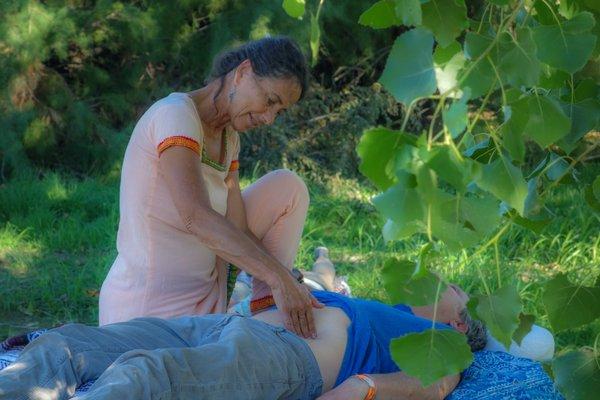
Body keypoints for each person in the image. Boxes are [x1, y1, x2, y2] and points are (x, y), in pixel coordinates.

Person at [99, 36, 322, 338]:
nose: (269, 119)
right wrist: (278, 278)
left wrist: (284, 280)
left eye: (278, 112)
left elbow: (238, 228)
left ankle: (269, 310)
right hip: (146, 315)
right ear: (242, 73)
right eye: (270, 101)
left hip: (206, 306)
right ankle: (272, 307)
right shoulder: (175, 113)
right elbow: (196, 215)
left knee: (289, 187)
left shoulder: (230, 139)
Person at [0, 281, 486, 400]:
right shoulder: (389, 311)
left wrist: (364, 387)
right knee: (68, 344)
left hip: (284, 355)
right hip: (219, 323)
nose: (445, 282)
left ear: (461, 322)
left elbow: (437, 385)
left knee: (147, 373)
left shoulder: (445, 342)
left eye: (457, 289)